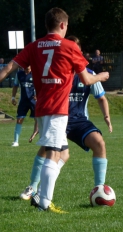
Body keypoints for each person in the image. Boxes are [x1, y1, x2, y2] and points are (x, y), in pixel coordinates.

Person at [0, 7, 109, 213]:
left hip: (42, 108)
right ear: (62, 25)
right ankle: (43, 203)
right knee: (53, 154)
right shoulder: (69, 46)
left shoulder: (33, 46)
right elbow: (86, 79)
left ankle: (40, 194)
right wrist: (101, 77)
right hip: (57, 108)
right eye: (66, 26)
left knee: (63, 153)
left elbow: (7, 69)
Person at [11, 66, 37, 147]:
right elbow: (15, 86)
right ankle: (16, 141)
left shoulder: (36, 74)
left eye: (28, 67)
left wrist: (38, 95)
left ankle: (41, 139)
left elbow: (41, 86)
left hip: (34, 101)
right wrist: (13, 98)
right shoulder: (19, 74)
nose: (27, 69)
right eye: (25, 67)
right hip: (23, 101)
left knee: (39, 120)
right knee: (19, 119)